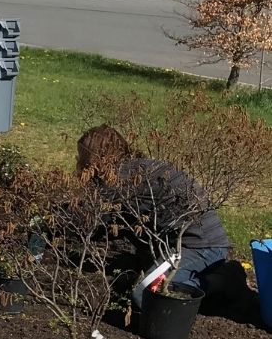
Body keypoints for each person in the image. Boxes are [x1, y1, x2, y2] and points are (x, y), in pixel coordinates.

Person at [76, 125, 231, 310]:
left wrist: (49, 225)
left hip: (200, 246)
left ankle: (220, 283)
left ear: (95, 158)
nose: (78, 160)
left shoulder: (119, 180)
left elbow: (90, 223)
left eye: (81, 156)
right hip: (190, 240)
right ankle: (200, 275)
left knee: (147, 296)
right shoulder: (136, 167)